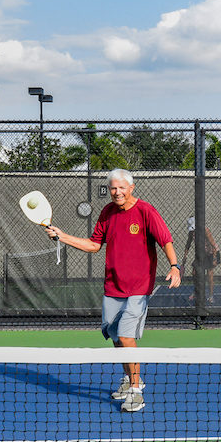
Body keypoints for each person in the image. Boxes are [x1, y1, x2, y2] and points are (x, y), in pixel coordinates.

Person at [44, 168, 181, 413]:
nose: (117, 192)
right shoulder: (107, 212)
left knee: (127, 336)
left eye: (121, 188)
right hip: (112, 286)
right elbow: (94, 245)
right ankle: (129, 379)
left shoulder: (146, 211)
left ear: (132, 188)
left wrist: (174, 266)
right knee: (115, 335)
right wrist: (62, 236)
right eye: (113, 188)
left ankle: (136, 391)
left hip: (139, 287)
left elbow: (165, 240)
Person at [181, 215, 219, 303]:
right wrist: (184, 258)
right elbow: (188, 244)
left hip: (211, 253)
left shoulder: (205, 230)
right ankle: (196, 292)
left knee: (210, 275)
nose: (193, 231)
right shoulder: (191, 233)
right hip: (200, 254)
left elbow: (213, 245)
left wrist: (214, 258)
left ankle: (211, 296)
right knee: (194, 272)